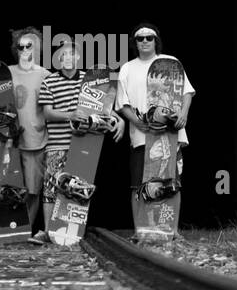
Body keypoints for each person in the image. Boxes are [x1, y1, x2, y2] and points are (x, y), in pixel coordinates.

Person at [39, 37, 124, 237]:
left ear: (78, 56)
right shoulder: (49, 81)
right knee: (52, 187)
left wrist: (119, 120)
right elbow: (47, 113)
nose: (67, 57)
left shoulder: (90, 79)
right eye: (63, 54)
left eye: (72, 53)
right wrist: (70, 115)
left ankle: (70, 231)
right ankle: (47, 232)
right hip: (57, 144)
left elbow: (103, 108)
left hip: (83, 144)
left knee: (78, 187)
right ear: (58, 58)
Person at [115, 21, 194, 235]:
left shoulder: (171, 63)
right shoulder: (127, 68)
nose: (144, 41)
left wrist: (184, 114)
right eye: (140, 38)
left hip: (170, 134)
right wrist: (138, 122)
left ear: (155, 41)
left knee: (172, 182)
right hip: (142, 134)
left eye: (149, 37)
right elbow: (122, 104)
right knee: (138, 183)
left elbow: (186, 92)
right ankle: (141, 229)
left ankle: (172, 230)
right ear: (135, 43)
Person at [8, 27, 50, 244]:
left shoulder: (45, 75)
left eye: (29, 46)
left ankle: (25, 230)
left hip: (37, 139)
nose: (24, 50)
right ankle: (10, 229)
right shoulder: (5, 72)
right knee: (10, 189)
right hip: (9, 141)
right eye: (20, 46)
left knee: (33, 189)